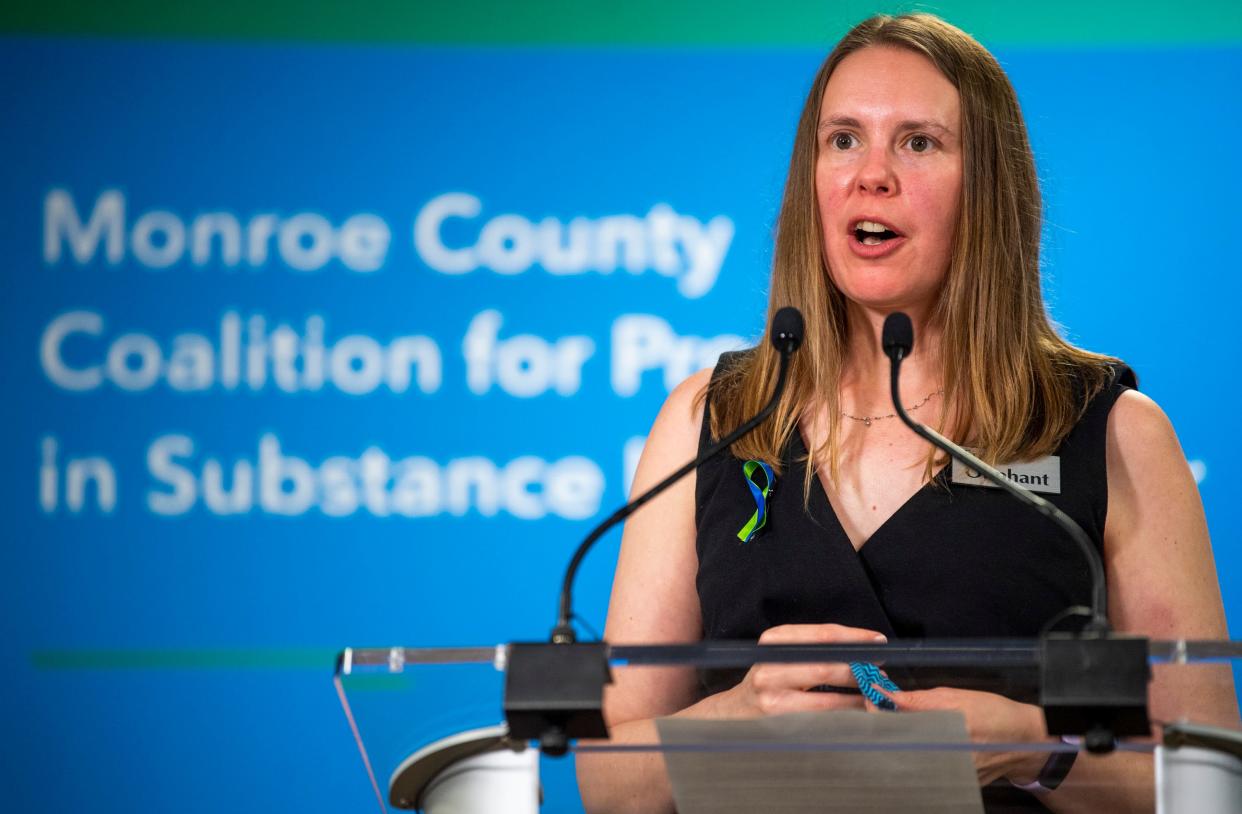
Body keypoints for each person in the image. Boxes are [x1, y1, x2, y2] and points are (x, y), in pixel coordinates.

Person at [574, 11, 1238, 814]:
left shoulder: (1114, 433)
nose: (870, 176)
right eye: (843, 139)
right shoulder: (712, 420)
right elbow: (607, 784)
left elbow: (1210, 785)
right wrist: (736, 719)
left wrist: (1035, 749)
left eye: (918, 142)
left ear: (987, 187)